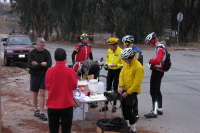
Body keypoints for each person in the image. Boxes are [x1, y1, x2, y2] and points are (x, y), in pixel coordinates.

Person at [46, 48, 77, 133]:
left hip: (52, 105)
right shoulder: (71, 71)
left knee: (53, 130)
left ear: (55, 58)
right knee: (66, 130)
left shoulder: (49, 71)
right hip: (66, 104)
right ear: (65, 58)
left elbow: (48, 87)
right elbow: (74, 86)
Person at [118, 48, 144, 133]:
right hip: (125, 88)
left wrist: (128, 92)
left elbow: (137, 83)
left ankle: (133, 127)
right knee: (123, 106)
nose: (124, 61)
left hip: (133, 90)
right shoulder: (126, 64)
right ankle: (126, 124)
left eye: (125, 59)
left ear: (129, 58)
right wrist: (121, 86)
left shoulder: (138, 67)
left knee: (129, 107)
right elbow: (122, 74)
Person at [28, 37, 52, 121]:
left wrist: (37, 65)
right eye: (41, 45)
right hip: (34, 75)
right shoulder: (32, 53)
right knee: (35, 92)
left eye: (44, 45)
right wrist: (41, 64)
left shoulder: (47, 53)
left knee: (42, 92)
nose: (43, 47)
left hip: (44, 76)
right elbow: (31, 66)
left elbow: (49, 65)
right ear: (37, 44)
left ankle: (42, 112)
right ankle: (35, 109)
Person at [144, 32, 166, 118]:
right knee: (157, 91)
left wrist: (150, 61)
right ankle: (159, 109)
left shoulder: (160, 48)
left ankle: (154, 111)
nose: (149, 45)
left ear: (152, 41)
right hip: (159, 71)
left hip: (157, 71)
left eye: (149, 43)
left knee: (153, 92)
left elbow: (157, 60)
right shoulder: (161, 46)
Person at [99, 38, 123, 113]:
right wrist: (106, 65)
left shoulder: (121, 51)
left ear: (115, 45)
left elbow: (123, 64)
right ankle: (106, 105)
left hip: (117, 70)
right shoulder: (109, 50)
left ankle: (114, 105)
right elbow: (107, 60)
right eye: (109, 45)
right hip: (110, 70)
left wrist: (115, 65)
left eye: (111, 45)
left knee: (115, 88)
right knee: (108, 87)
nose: (109, 47)